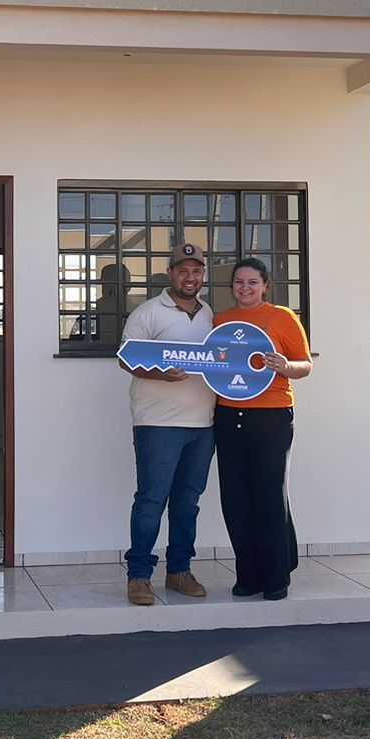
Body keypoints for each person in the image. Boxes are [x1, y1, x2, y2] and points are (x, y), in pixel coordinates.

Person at [116, 242, 216, 606]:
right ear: (170, 273)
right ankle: (139, 576)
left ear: (202, 275)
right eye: (183, 270)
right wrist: (160, 374)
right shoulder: (147, 312)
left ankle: (179, 571)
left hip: (203, 424)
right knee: (151, 500)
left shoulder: (210, 315)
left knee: (188, 503)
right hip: (157, 423)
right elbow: (127, 360)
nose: (190, 277)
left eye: (196, 271)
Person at [212, 256, 313, 600]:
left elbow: (305, 365)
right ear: (232, 287)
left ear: (265, 285)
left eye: (252, 282)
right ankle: (248, 575)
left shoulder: (282, 318)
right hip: (228, 416)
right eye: (239, 282)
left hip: (272, 415)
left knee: (269, 494)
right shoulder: (220, 320)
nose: (245, 288)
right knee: (236, 497)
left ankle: (276, 576)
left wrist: (287, 366)